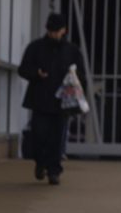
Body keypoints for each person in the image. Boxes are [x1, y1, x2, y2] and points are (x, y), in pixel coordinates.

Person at [17, 12, 87, 185]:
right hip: (40, 99)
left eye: (57, 31)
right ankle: (40, 163)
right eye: (51, 31)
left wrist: (74, 78)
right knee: (39, 135)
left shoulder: (72, 50)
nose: (54, 34)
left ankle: (54, 171)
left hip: (62, 102)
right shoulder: (35, 47)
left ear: (64, 30)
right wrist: (36, 73)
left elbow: (82, 75)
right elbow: (23, 69)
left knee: (57, 139)